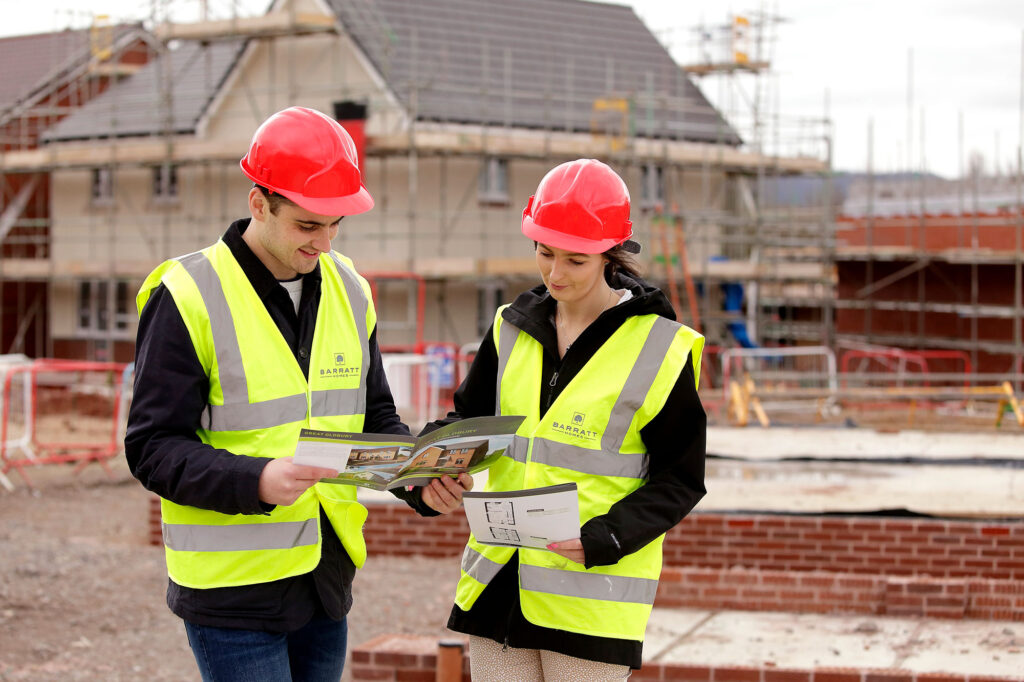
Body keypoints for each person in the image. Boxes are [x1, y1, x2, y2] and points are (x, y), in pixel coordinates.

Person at [124, 106, 471, 682]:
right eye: (308, 226)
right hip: (233, 588)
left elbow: (375, 414)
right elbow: (152, 447)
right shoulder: (187, 294)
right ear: (259, 203)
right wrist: (257, 479)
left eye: (336, 224)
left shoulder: (351, 289)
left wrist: (415, 480)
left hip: (324, 579)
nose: (325, 242)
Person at [428, 159, 707, 680]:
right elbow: (468, 420)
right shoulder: (510, 328)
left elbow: (680, 480)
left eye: (575, 260)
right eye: (544, 252)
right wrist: (429, 469)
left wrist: (607, 537)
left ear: (611, 255)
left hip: (590, 598)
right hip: (497, 586)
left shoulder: (660, 349)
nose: (555, 274)